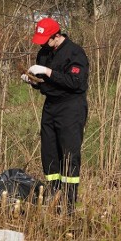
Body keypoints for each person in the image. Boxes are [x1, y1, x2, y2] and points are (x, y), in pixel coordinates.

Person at [22, 17, 89, 214]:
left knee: (69, 154)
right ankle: (54, 194)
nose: (42, 44)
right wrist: (33, 80)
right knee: (49, 153)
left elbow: (75, 82)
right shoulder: (44, 52)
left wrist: (48, 71)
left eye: (46, 39)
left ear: (57, 36)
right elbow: (45, 83)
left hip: (71, 107)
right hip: (50, 106)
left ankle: (68, 203)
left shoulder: (75, 52)